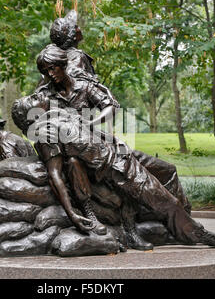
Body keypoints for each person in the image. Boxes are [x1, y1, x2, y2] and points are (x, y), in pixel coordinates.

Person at [11, 93, 215, 249]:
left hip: (123, 152)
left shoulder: (59, 112)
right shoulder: (43, 133)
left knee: (168, 170)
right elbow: (55, 175)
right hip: (114, 166)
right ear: (29, 116)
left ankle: (180, 221)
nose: (38, 94)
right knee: (165, 201)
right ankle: (206, 236)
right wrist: (73, 214)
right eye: (31, 99)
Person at [33, 44, 188, 249]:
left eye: (52, 68)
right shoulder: (45, 95)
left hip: (99, 141)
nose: (49, 74)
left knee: (162, 169)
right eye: (45, 71)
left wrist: (91, 123)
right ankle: (123, 227)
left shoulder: (84, 85)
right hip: (73, 153)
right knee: (87, 165)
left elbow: (111, 106)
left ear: (62, 64)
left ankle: (182, 221)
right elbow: (37, 124)